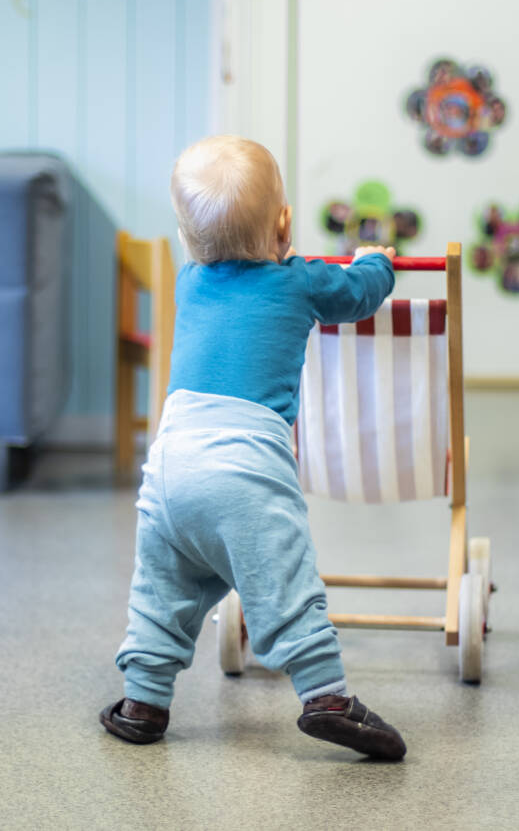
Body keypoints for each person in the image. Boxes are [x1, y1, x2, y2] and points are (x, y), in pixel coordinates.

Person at [101, 135, 406, 761]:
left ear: (189, 242)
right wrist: (375, 260)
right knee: (283, 582)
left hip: (168, 468)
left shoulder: (190, 283)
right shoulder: (297, 282)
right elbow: (359, 295)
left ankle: (143, 701)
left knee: (162, 588)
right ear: (285, 223)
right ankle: (325, 696)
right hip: (245, 469)